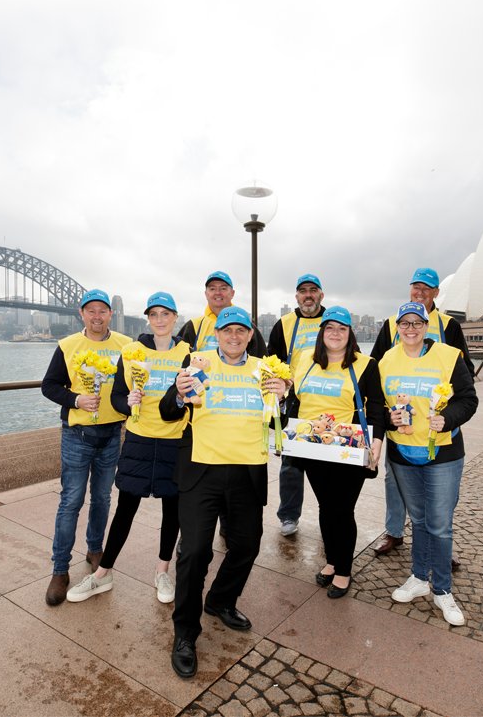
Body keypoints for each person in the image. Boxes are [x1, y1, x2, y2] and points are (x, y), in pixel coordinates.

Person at [160, 306, 280, 680]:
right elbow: (167, 410)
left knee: (247, 545)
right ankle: (185, 633)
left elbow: (280, 420)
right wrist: (179, 395)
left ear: (250, 336)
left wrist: (285, 397)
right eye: (227, 331)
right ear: (217, 335)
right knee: (195, 551)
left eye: (240, 331)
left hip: (247, 471)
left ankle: (220, 600)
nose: (233, 336)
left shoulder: (264, 370)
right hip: (202, 469)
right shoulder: (198, 362)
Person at [65, 292, 190, 605]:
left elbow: (194, 395)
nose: (160, 320)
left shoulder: (188, 353)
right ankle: (102, 573)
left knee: (173, 509)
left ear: (175, 318)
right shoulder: (132, 351)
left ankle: (163, 571)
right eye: (154, 314)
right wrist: (128, 401)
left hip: (175, 439)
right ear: (148, 318)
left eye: (165, 314)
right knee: (125, 508)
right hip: (139, 438)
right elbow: (116, 397)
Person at [379, 302, 478, 626]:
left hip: (443, 454)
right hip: (403, 453)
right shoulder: (386, 361)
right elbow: (376, 404)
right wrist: (388, 418)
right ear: (397, 328)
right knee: (419, 520)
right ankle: (419, 577)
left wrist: (448, 418)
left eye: (417, 323)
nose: (411, 328)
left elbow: (468, 398)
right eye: (404, 323)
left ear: (426, 326)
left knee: (439, 524)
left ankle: (443, 589)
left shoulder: (448, 356)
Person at [370, 267, 473, 562]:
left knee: (440, 494)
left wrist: (447, 412)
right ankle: (394, 532)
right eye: (416, 287)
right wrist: (387, 415)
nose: (420, 293)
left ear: (436, 293)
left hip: (436, 426)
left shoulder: (449, 324)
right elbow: (374, 368)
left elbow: (464, 373)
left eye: (426, 289)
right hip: (401, 427)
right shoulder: (391, 323)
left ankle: (440, 545)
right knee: (394, 481)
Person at [41, 289, 132, 606]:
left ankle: (95, 550)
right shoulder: (67, 346)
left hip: (112, 434)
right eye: (90, 310)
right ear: (81, 314)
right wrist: (76, 399)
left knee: (103, 498)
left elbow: (137, 381)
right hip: (77, 435)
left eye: (102, 310)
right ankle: (60, 570)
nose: (97, 316)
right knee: (71, 501)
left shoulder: (125, 345)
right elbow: (49, 386)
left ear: (110, 314)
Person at [285, 306, 384, 597]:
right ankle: (331, 561)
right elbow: (294, 399)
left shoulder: (365, 364)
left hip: (347, 450)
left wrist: (377, 443)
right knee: (326, 507)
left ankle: (343, 571)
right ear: (322, 332)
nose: (335, 333)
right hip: (312, 448)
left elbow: (376, 407)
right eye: (330, 328)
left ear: (350, 334)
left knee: (342, 510)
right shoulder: (305, 360)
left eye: (342, 328)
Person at [266, 273, 326, 537]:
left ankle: (330, 514)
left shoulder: (332, 320)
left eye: (313, 290)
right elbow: (271, 362)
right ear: (297, 296)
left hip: (327, 399)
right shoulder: (284, 324)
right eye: (303, 291)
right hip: (294, 402)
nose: (308, 295)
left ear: (321, 294)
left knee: (329, 463)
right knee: (291, 464)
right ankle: (289, 515)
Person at [177, 271, 266, 356]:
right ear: (206, 294)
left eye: (223, 288)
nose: (217, 293)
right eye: (212, 289)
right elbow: (178, 360)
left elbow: (261, 362)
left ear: (232, 293)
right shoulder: (193, 326)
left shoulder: (246, 326)